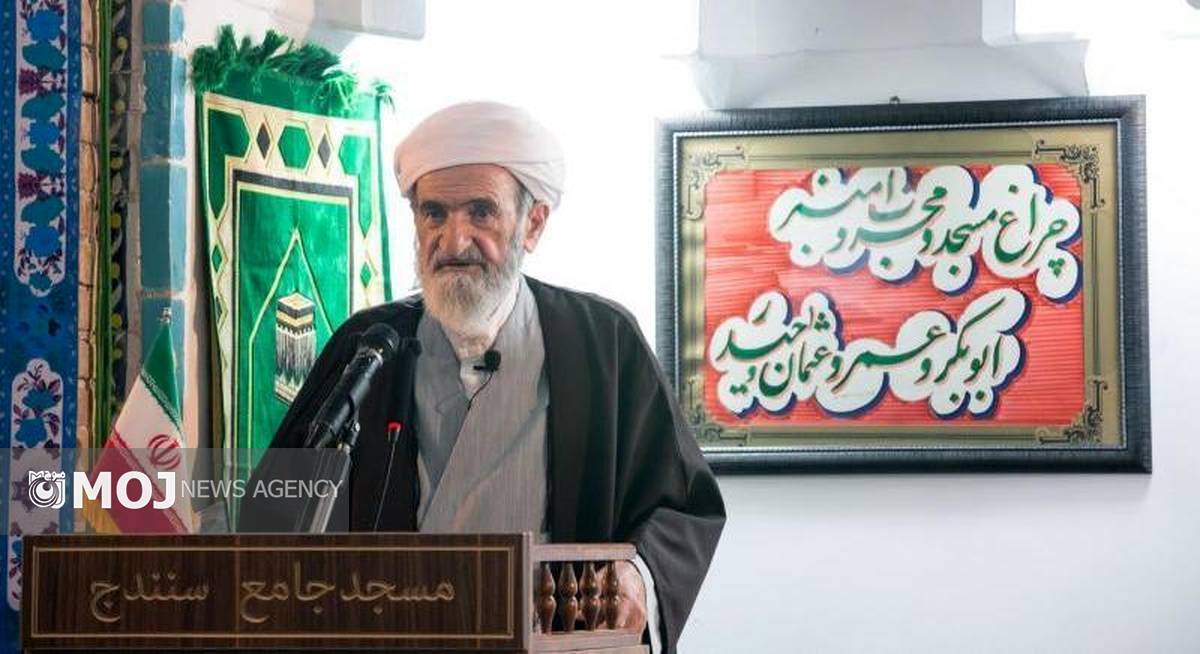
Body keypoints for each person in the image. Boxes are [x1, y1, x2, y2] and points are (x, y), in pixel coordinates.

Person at [240, 101, 725, 652]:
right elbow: (274, 512)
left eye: (480, 212)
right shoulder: (369, 346)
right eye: (434, 214)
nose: (454, 242)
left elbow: (683, 507)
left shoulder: (603, 341)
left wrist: (638, 577)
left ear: (532, 224)